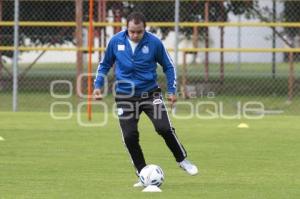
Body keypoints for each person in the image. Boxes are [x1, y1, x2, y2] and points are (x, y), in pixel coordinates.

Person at [93, 11, 198, 187]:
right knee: (129, 136)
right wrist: (97, 86)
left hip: (150, 94)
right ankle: (143, 174)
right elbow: (104, 65)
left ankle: (182, 160)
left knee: (164, 127)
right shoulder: (115, 41)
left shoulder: (155, 43)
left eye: (139, 32)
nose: (135, 35)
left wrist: (172, 90)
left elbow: (169, 66)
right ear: (126, 28)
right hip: (125, 96)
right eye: (132, 31)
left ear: (144, 29)